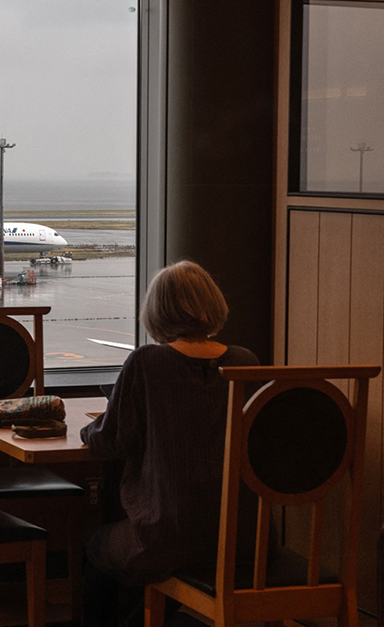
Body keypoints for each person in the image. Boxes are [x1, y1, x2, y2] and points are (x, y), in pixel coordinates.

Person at [80, 260, 258, 627]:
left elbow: (109, 442)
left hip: (170, 539)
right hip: (245, 541)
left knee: (99, 547)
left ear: (156, 310)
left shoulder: (149, 362)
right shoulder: (245, 362)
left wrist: (91, 426)